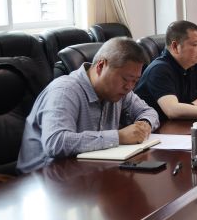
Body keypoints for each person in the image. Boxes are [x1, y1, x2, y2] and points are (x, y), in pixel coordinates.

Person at [17, 37, 160, 173]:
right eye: (125, 79)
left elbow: (149, 112)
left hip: (88, 171)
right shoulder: (64, 90)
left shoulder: (120, 92)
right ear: (101, 66)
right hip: (43, 179)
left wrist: (144, 124)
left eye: (135, 81)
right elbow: (56, 142)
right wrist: (119, 137)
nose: (129, 87)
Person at [134, 20, 197, 120]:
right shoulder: (158, 70)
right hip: (155, 126)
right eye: (195, 44)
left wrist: (192, 105)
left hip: (178, 123)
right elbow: (172, 110)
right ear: (175, 46)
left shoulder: (192, 64)